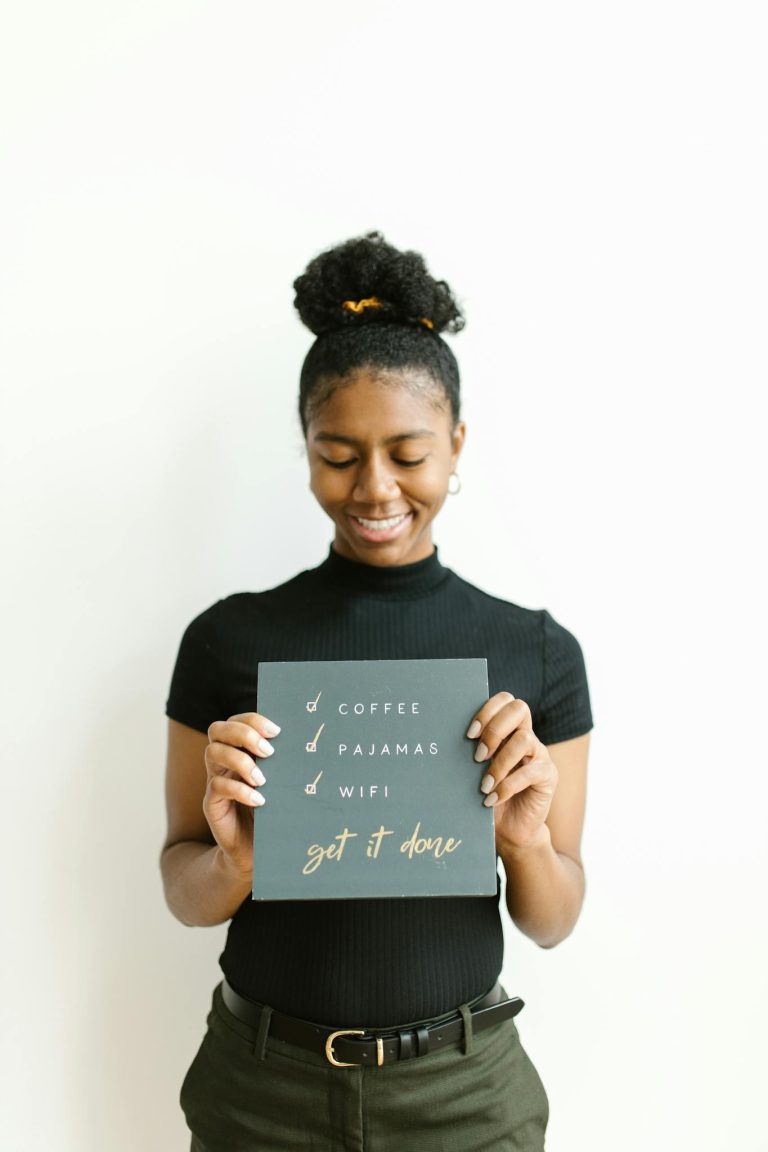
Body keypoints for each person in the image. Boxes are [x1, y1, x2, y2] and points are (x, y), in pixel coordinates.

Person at [160, 231, 593, 1152]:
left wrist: (523, 841)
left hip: (464, 1095)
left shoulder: (536, 650)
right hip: (260, 1090)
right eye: (338, 454)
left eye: (408, 452)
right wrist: (233, 859)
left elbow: (553, 920)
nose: (375, 488)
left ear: (456, 443)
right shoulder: (228, 641)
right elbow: (183, 886)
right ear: (306, 448)